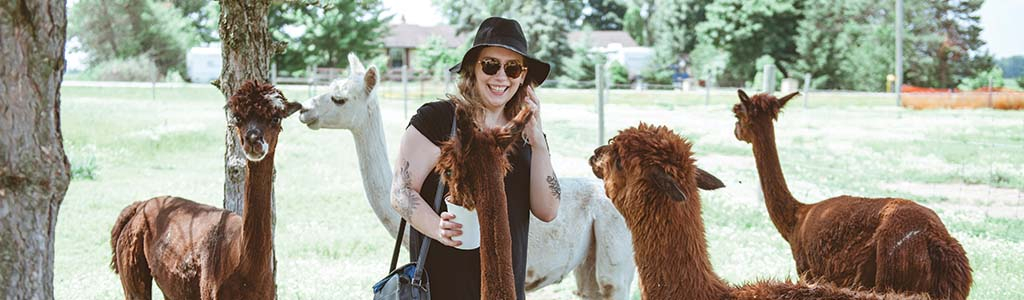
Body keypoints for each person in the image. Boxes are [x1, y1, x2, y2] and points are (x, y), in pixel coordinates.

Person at [389, 17, 560, 300]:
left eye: (513, 68)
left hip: (503, 288)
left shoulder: (527, 136)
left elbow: (548, 210)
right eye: (491, 64)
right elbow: (401, 192)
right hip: (440, 287)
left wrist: (539, 142)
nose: (501, 77)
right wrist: (438, 228)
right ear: (473, 68)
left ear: (523, 78)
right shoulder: (439, 120)